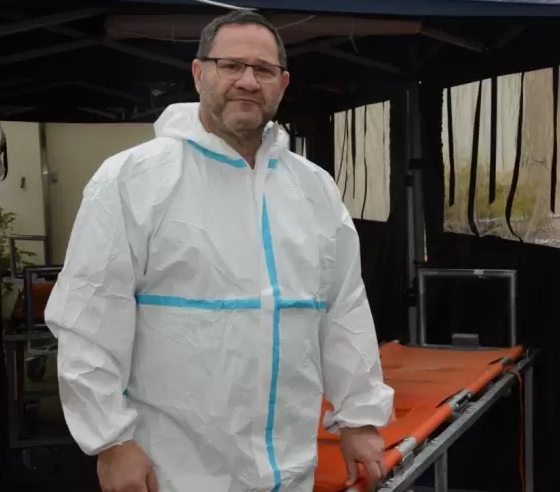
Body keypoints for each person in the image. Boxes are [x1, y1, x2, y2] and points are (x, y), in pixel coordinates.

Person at [44, 9, 394, 492]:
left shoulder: (313, 189)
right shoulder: (132, 179)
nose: (247, 81)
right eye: (231, 65)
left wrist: (358, 418)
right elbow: (88, 318)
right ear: (199, 73)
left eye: (263, 70)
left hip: (288, 467)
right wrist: (111, 441)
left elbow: (344, 309)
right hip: (172, 469)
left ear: (282, 84)